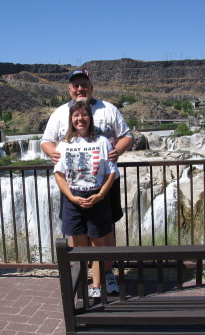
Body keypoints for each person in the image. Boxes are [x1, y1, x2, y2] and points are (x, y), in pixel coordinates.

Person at [41, 68, 134, 294]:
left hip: (105, 185)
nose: (80, 89)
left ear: (91, 87)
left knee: (105, 230)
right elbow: (46, 141)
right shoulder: (60, 113)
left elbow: (127, 136)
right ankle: (82, 275)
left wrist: (117, 151)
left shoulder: (109, 109)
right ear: (70, 89)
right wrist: (52, 152)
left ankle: (107, 273)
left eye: (84, 84)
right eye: (76, 85)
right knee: (77, 232)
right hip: (73, 186)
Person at [53, 100, 117, 298]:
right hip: (74, 199)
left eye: (84, 115)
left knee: (98, 246)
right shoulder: (63, 145)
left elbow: (110, 173)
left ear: (90, 117)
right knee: (80, 248)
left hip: (97, 197)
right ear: (71, 120)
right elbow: (59, 174)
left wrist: (100, 195)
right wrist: (71, 197)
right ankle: (81, 285)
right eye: (76, 116)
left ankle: (97, 287)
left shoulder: (102, 142)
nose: (80, 119)